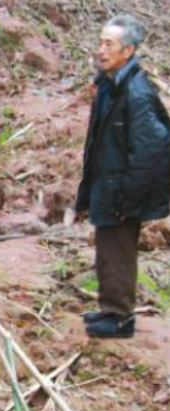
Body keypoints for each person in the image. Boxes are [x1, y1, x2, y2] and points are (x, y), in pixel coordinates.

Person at [75, 15, 170, 339]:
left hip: (123, 189)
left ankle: (119, 319)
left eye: (109, 44)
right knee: (107, 247)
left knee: (118, 250)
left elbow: (150, 152)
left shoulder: (136, 93)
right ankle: (110, 309)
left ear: (127, 51)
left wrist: (128, 199)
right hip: (110, 182)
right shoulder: (111, 84)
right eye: (100, 42)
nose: (101, 50)